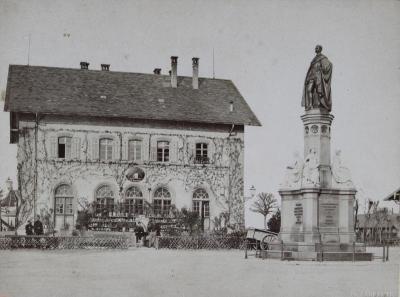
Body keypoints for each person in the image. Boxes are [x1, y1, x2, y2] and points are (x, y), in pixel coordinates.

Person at [302, 45, 332, 112]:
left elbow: (329, 65)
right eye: (315, 48)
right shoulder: (314, 58)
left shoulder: (322, 58)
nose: (315, 49)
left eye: (317, 48)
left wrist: (322, 69)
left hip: (318, 77)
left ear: (320, 49)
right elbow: (310, 69)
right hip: (311, 76)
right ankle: (310, 105)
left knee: (319, 91)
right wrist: (307, 78)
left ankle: (320, 104)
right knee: (309, 90)